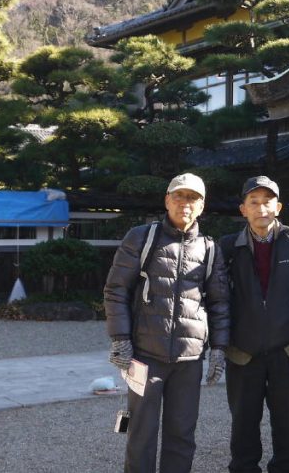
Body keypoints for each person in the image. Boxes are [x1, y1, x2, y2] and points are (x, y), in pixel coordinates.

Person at [103, 172, 230, 473]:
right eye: (179, 196)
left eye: (193, 198)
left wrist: (219, 348)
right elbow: (116, 289)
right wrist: (120, 338)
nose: (185, 203)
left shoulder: (209, 248)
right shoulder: (141, 237)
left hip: (189, 359)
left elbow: (219, 302)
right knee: (141, 433)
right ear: (167, 200)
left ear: (202, 206)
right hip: (145, 355)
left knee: (182, 434)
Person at [220, 176, 289, 473]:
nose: (261, 208)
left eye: (267, 202)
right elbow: (217, 296)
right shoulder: (228, 247)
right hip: (243, 349)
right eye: (254, 202)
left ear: (279, 207)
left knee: (286, 418)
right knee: (243, 419)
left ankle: (285, 468)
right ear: (243, 209)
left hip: (287, 347)